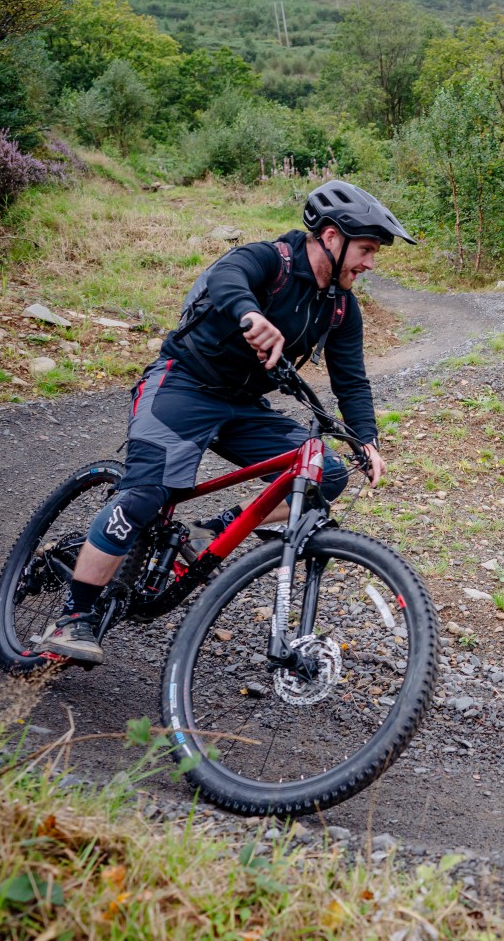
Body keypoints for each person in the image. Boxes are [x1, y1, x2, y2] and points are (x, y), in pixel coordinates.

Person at [34, 181, 416, 664]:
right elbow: (227, 276)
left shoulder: (340, 307)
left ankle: (207, 533)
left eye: (375, 253)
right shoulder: (270, 260)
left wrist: (366, 440)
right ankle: (73, 617)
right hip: (182, 386)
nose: (369, 264)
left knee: (325, 472)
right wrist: (250, 315)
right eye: (365, 249)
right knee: (147, 494)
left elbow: (352, 381)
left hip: (244, 405)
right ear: (331, 238)